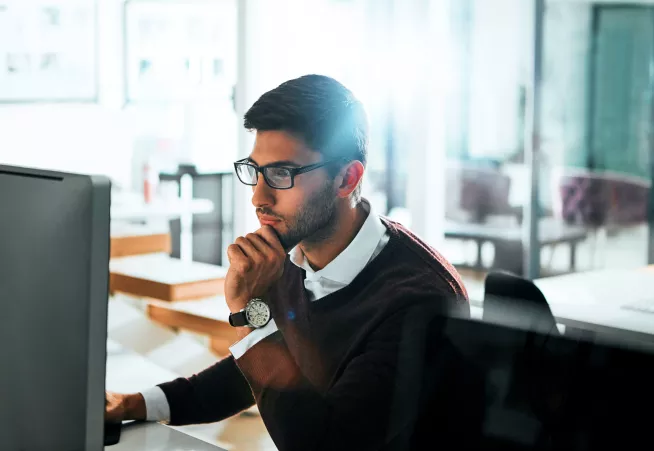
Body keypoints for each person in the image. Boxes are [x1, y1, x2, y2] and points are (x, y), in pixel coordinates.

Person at [106, 74, 470, 450]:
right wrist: (132, 404)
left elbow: (323, 444)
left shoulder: (421, 300)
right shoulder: (291, 256)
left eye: (281, 173)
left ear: (347, 178)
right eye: (255, 172)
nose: (258, 198)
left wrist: (248, 313)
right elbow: (259, 371)